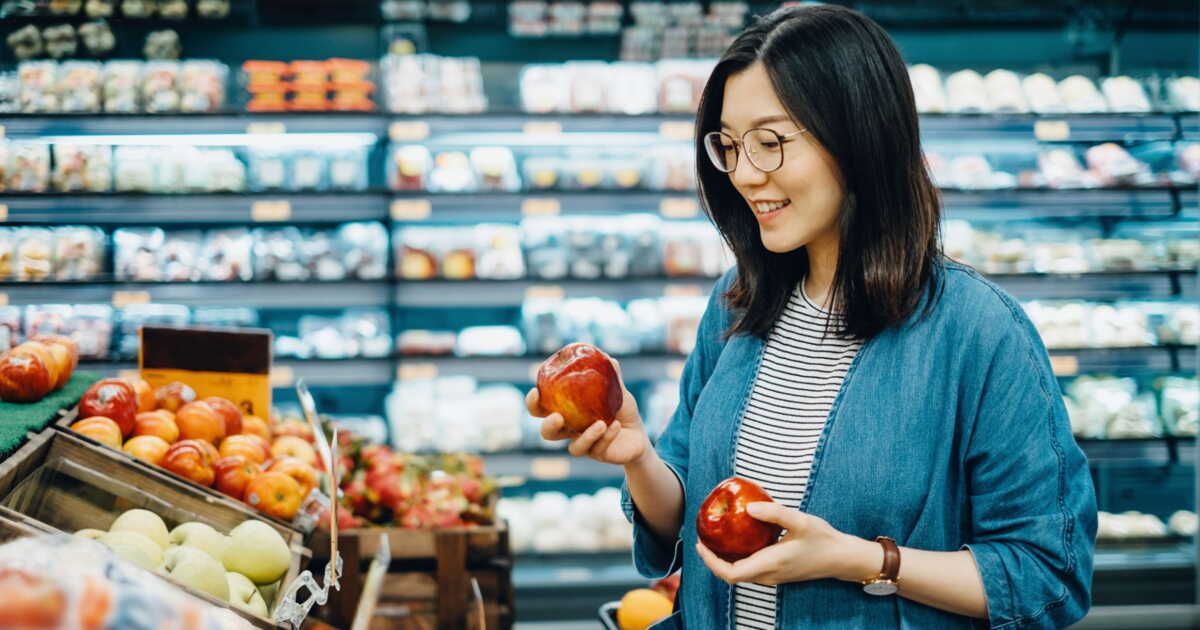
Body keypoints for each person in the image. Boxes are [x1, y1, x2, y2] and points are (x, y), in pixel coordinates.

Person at [526, 5, 1097, 629]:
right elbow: (685, 516)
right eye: (730, 146)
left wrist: (861, 560)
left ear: (859, 136)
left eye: (770, 143)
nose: (745, 175)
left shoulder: (979, 333)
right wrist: (638, 458)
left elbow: (1047, 574)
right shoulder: (737, 304)